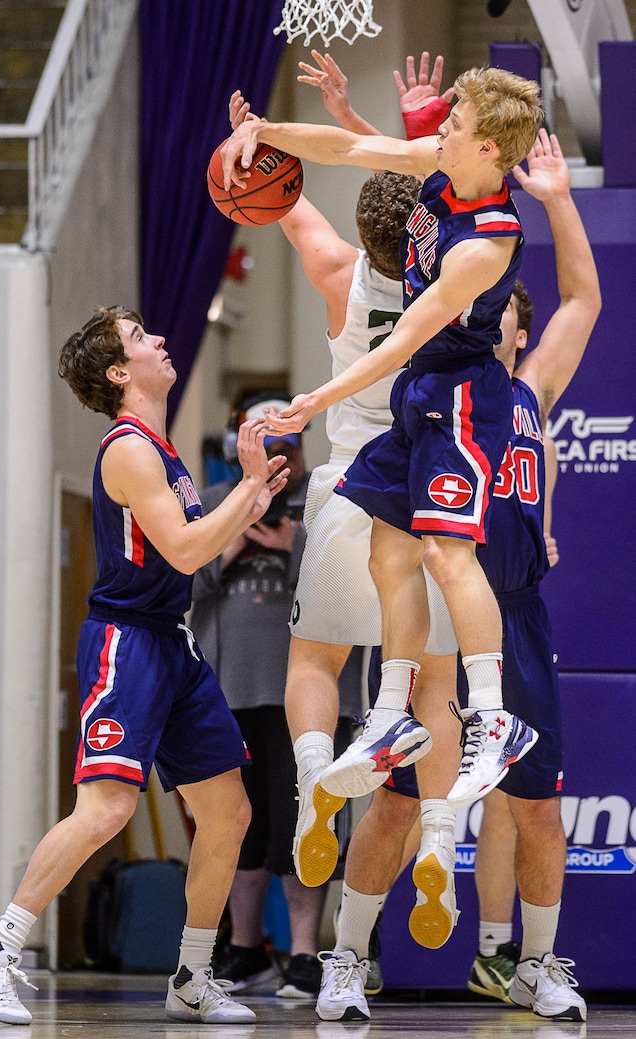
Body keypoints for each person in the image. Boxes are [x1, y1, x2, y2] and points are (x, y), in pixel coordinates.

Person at [315, 129, 600, 1023]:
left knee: (540, 808)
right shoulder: (442, 392)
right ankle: (347, 957)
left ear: (515, 326)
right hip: (444, 613)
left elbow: (585, 300)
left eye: (512, 306)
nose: (504, 311)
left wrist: (557, 198)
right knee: (396, 807)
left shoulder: (533, 391)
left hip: (519, 614)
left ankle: (536, 964)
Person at [0, 306, 292, 1027]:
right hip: (127, 643)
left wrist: (252, 488)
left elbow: (200, 540)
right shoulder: (130, 450)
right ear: (117, 372)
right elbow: (190, 551)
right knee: (106, 809)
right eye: (141, 338)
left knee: (228, 813)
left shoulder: (162, 452)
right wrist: (246, 488)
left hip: (174, 642)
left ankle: (193, 976)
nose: (160, 340)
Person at [222, 62, 543, 810]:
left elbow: (406, 337)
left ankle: (493, 717)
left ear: (489, 150)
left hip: (463, 397)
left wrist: (314, 400)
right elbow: (344, 149)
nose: (441, 128)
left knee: (446, 551)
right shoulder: (442, 165)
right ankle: (392, 716)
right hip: (417, 395)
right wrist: (262, 132)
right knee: (387, 544)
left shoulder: (487, 245)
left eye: (455, 124)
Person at [229, 66, 462, 985]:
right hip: (431, 501)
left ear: (366, 236)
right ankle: (439, 831)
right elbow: (444, 194)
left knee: (315, 663)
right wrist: (400, 126)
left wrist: (265, 138)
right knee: (436, 686)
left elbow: (287, 205)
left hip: (346, 491)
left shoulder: (338, 274)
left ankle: (314, 781)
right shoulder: (460, 288)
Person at [189, 393, 362, 998]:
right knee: (242, 825)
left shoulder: (329, 505)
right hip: (229, 689)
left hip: (314, 697)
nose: (277, 450)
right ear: (244, 441)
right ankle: (242, 948)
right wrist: (238, 538)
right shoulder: (214, 505)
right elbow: (188, 578)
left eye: (287, 439)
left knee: (306, 824)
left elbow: (353, 590)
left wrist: (292, 551)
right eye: (264, 437)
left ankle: (305, 953)